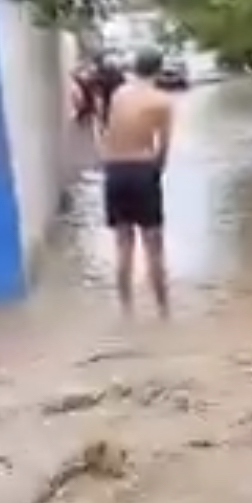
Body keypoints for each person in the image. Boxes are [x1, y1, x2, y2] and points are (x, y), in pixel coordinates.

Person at [99, 48, 173, 316]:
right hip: (142, 170)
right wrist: (156, 172)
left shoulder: (119, 94)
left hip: (114, 170)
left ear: (135, 67)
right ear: (159, 69)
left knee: (123, 246)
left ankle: (126, 312)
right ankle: (164, 312)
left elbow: (107, 131)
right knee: (154, 247)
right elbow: (163, 147)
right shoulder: (162, 101)